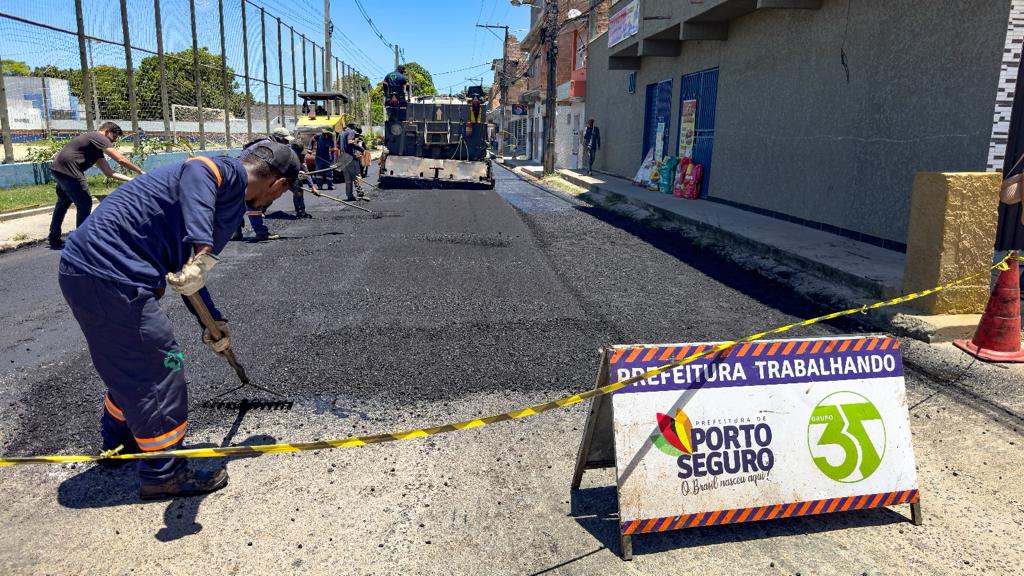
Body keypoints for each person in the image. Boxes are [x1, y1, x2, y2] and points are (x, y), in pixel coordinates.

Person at [58, 142, 298, 500]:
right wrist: (203, 246)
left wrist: (213, 323)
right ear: (278, 185)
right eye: (277, 197)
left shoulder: (225, 198)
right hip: (112, 277)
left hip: (94, 272)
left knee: (132, 365)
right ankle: (164, 473)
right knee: (159, 369)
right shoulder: (225, 174)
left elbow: (188, 275)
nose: (270, 204)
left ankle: (122, 443)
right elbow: (199, 168)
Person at [48, 122, 145, 250]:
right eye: (114, 137)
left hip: (58, 168)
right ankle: (82, 242)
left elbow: (109, 172)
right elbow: (121, 159)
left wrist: (131, 180)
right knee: (85, 203)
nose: (113, 142)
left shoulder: (95, 149)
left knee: (63, 202)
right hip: (69, 169)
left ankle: (54, 239)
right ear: (106, 132)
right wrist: (140, 171)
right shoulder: (98, 137)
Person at [232, 127, 295, 241]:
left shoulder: (265, 144)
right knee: (253, 203)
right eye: (285, 141)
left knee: (238, 204)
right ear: (278, 138)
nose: (286, 144)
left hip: (238, 173)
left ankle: (236, 232)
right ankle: (261, 233)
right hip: (244, 174)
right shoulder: (268, 147)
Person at [337, 123, 363, 201]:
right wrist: (361, 149)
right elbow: (350, 142)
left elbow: (338, 145)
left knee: (348, 179)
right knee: (357, 176)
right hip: (350, 158)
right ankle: (360, 193)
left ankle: (349, 195)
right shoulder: (351, 131)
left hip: (343, 158)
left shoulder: (341, 133)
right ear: (354, 128)